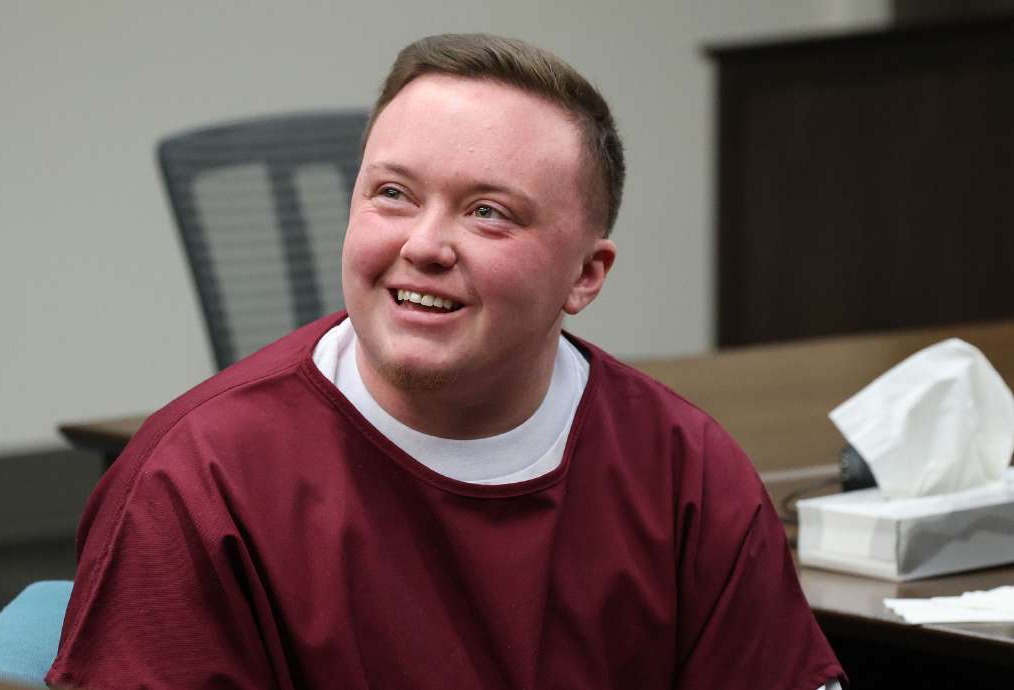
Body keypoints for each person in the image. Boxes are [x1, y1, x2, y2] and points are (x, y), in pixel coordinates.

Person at [47, 34, 844, 690]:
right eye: (392, 194)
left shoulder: (685, 471)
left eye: (488, 212)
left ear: (585, 276)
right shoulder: (194, 482)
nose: (423, 245)